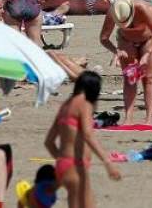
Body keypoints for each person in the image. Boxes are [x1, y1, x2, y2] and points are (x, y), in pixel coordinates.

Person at [43, 71, 121, 208]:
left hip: (63, 164)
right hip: (76, 165)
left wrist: (62, 161)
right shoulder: (84, 104)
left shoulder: (66, 105)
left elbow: (49, 142)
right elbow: (88, 134)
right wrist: (107, 162)